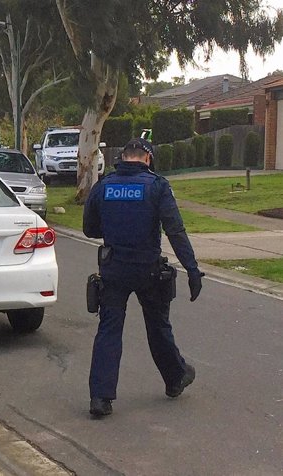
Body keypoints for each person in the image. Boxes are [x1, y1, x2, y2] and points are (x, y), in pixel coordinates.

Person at [82, 137, 204, 418]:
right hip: (148, 269)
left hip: (113, 269)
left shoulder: (103, 187)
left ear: (123, 157)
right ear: (147, 159)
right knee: (158, 326)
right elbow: (175, 231)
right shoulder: (157, 186)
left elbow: (89, 229)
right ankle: (175, 378)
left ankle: (100, 398)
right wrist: (192, 271)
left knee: (109, 330)